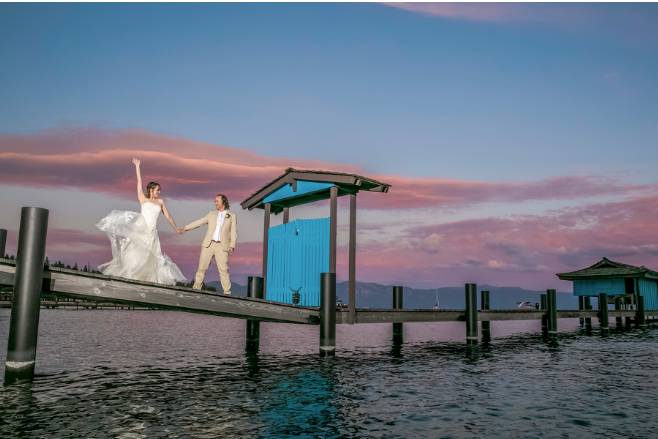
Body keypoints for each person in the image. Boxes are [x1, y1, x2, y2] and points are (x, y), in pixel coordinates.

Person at [96, 158, 186, 285]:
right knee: (136, 255)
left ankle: (148, 283)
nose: (159, 192)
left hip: (152, 234)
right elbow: (139, 181)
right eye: (157, 190)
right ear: (151, 190)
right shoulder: (143, 199)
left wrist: (176, 228)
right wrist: (137, 166)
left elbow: (168, 216)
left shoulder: (160, 202)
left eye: (160, 190)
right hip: (141, 230)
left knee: (153, 258)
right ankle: (131, 277)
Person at [178, 193, 237, 294]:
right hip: (208, 245)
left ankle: (227, 292)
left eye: (217, 201)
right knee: (202, 268)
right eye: (215, 201)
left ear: (223, 201)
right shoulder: (211, 214)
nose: (215, 203)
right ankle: (196, 289)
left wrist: (232, 246)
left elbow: (234, 232)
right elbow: (199, 222)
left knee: (224, 270)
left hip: (222, 247)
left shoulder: (232, 216)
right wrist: (185, 228)